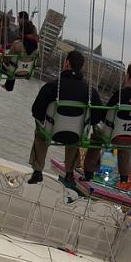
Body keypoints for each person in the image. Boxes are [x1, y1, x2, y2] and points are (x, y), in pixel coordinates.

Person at [27, 50, 102, 185]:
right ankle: (69, 173)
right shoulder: (91, 92)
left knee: (40, 133)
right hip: (75, 136)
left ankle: (37, 171)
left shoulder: (51, 86)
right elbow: (97, 117)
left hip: (52, 133)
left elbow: (36, 111)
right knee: (76, 135)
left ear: (67, 63)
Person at [81, 63, 131, 185]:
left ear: (128, 76)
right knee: (125, 142)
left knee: (96, 138)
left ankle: (89, 172)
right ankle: (124, 177)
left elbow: (106, 113)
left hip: (113, 135)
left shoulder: (121, 93)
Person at [0, 11, 39, 93]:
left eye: (19, 18)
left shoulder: (18, 43)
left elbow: (8, 58)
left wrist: (4, 54)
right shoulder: (36, 48)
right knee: (16, 61)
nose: (18, 20)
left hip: (15, 66)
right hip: (26, 69)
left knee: (1, 60)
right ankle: (9, 86)